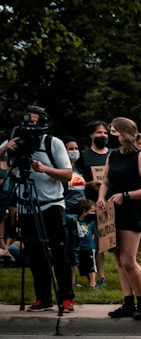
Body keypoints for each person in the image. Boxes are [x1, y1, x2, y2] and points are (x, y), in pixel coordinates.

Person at [0, 106, 76, 312]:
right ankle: (43, 298)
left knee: (59, 251)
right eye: (28, 120)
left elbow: (68, 175)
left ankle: (66, 297)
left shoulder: (53, 143)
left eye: (35, 121)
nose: (31, 125)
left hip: (51, 204)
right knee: (36, 254)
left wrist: (44, 169)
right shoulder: (16, 139)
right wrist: (6, 148)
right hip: (26, 206)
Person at [99, 117, 141, 319]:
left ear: (124, 134)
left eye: (114, 132)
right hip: (111, 211)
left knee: (129, 259)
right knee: (118, 259)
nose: (110, 136)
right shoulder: (112, 156)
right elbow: (106, 181)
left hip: (131, 211)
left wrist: (126, 196)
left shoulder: (140, 157)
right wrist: (100, 198)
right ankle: (127, 302)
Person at [77, 120, 111, 286]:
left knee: (107, 242)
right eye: (99, 133)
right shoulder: (84, 156)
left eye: (105, 133)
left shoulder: (112, 154)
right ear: (91, 135)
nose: (103, 136)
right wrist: (88, 184)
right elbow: (75, 180)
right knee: (95, 243)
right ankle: (99, 276)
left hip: (110, 203)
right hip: (91, 204)